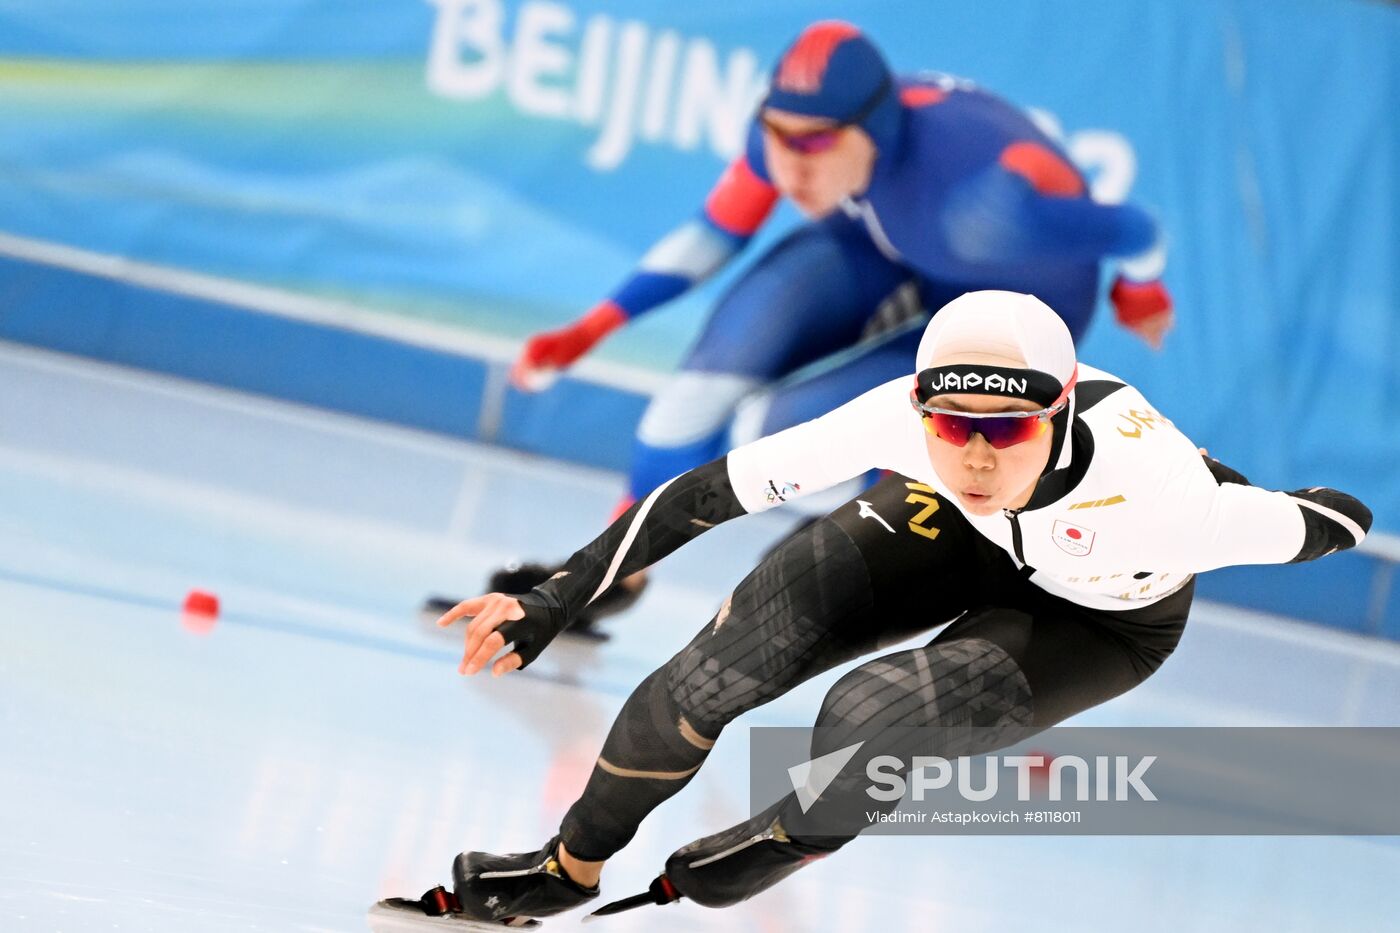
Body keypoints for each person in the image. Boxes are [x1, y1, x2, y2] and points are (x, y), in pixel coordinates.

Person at [375, 290, 1371, 926]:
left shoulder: (1168, 505)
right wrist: (551, 598)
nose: (976, 455)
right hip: (950, 534)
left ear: (1060, 409)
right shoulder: (906, 429)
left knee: (868, 717)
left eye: (1006, 429)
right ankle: (567, 866)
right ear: (919, 403)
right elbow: (701, 494)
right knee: (712, 669)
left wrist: (1311, 508)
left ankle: (801, 833)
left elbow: (1329, 522)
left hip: (1099, 613)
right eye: (949, 423)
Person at [423, 19, 1175, 631]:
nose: (789, 167)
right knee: (699, 390)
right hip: (885, 243)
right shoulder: (797, 140)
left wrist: (1139, 294)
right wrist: (590, 328)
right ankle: (609, 573)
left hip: (999, 303)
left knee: (772, 436)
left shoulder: (988, 200)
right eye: (775, 136)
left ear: (870, 132)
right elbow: (711, 235)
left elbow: (1135, 227)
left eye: (813, 145)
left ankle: (869, 555)